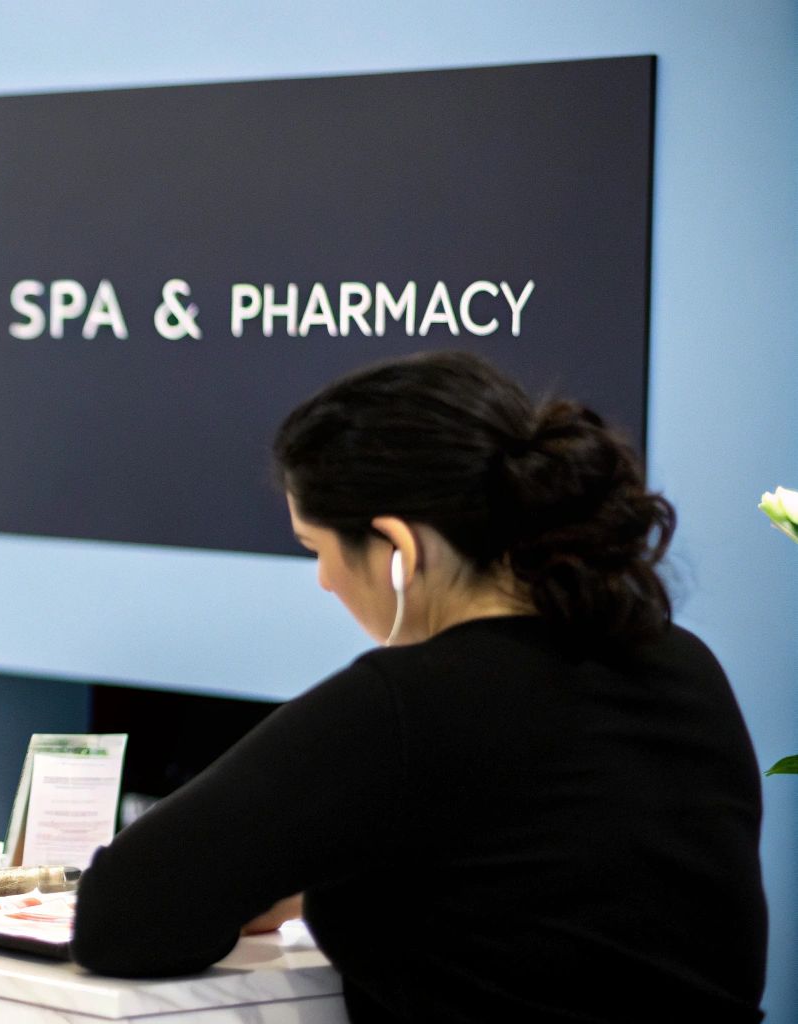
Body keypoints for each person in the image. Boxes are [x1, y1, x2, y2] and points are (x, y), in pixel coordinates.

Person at [71, 352, 767, 1021]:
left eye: (318, 550)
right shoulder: (684, 665)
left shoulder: (405, 703)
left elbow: (120, 918)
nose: (323, 581)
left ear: (399, 551)